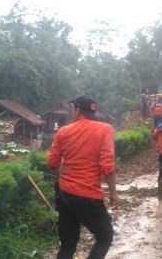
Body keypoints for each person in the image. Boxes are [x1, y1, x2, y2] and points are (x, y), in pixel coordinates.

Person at [46, 95, 118, 259]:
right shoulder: (105, 129)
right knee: (105, 236)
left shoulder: (64, 131)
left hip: (65, 195)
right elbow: (107, 165)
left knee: (68, 245)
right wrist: (113, 192)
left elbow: (52, 163)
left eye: (73, 109)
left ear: (77, 110)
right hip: (88, 196)